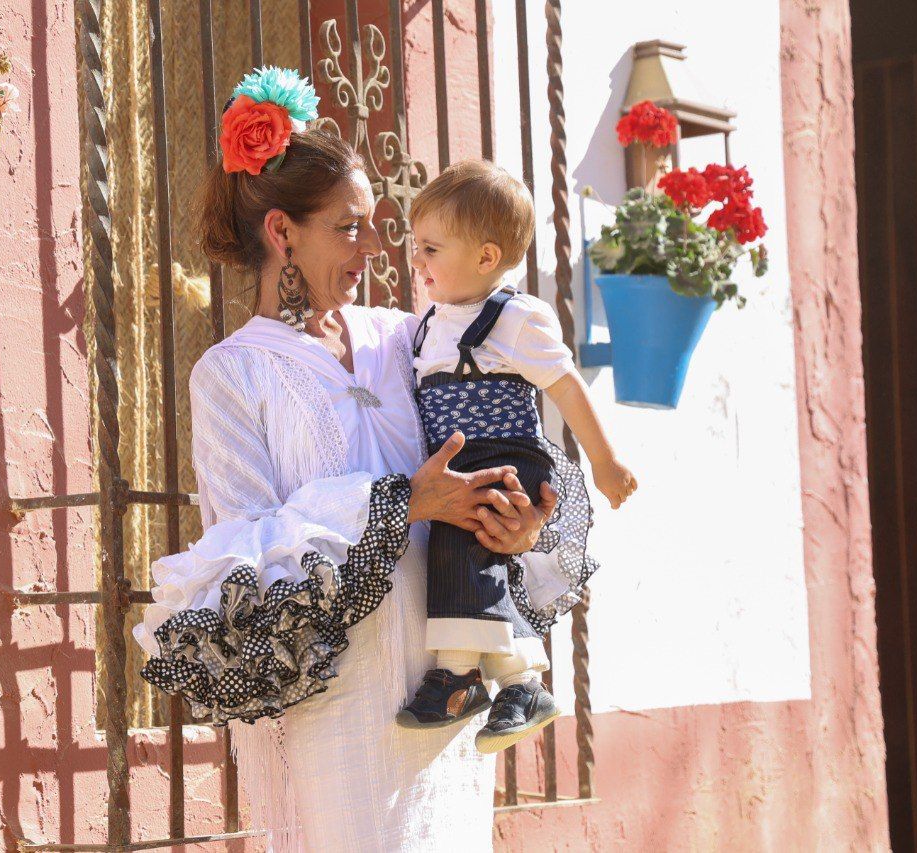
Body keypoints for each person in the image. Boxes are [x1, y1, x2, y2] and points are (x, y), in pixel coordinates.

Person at [133, 67, 584, 852]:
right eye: (350, 227)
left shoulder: (408, 338)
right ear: (282, 233)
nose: (375, 248)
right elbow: (244, 556)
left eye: (375, 224)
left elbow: (501, 448)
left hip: (446, 698)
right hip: (337, 712)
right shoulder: (231, 375)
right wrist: (397, 503)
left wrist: (516, 523)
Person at [394, 160, 635, 753]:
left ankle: (456, 676)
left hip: (506, 456)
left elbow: (565, 385)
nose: (415, 261)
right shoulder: (426, 326)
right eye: (415, 245)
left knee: (464, 537)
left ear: (485, 257)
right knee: (473, 553)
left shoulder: (516, 317)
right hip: (460, 461)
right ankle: (520, 682)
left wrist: (604, 463)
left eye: (430, 248)